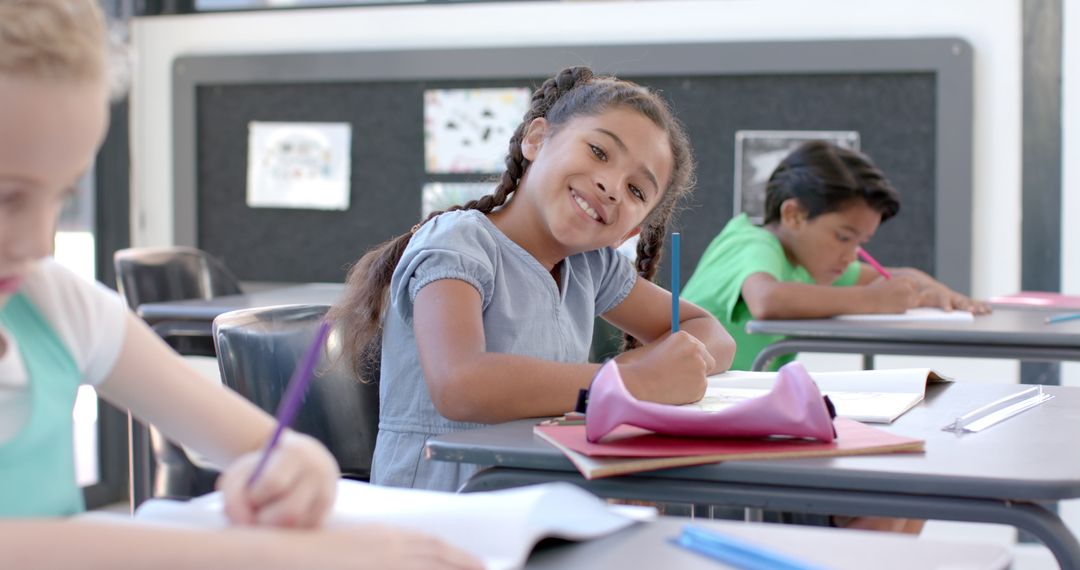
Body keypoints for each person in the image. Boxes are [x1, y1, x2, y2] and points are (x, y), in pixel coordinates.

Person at [0, 1, 479, 567]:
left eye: (63, 195)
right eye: (7, 197)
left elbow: (260, 444)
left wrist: (294, 468)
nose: (40, 243)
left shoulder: (55, 304)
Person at [330, 66, 736, 492]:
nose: (612, 186)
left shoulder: (591, 265)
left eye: (637, 191)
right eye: (599, 151)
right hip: (442, 507)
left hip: (535, 494)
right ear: (537, 140)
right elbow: (460, 385)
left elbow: (710, 333)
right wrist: (632, 382)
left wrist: (663, 368)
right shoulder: (459, 242)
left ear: (630, 232)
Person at [682, 140, 989, 371]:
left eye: (861, 242)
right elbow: (768, 301)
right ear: (794, 215)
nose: (850, 255)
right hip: (682, 406)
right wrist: (875, 301)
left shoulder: (805, 267)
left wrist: (935, 292)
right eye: (843, 237)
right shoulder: (751, 242)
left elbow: (900, 275)